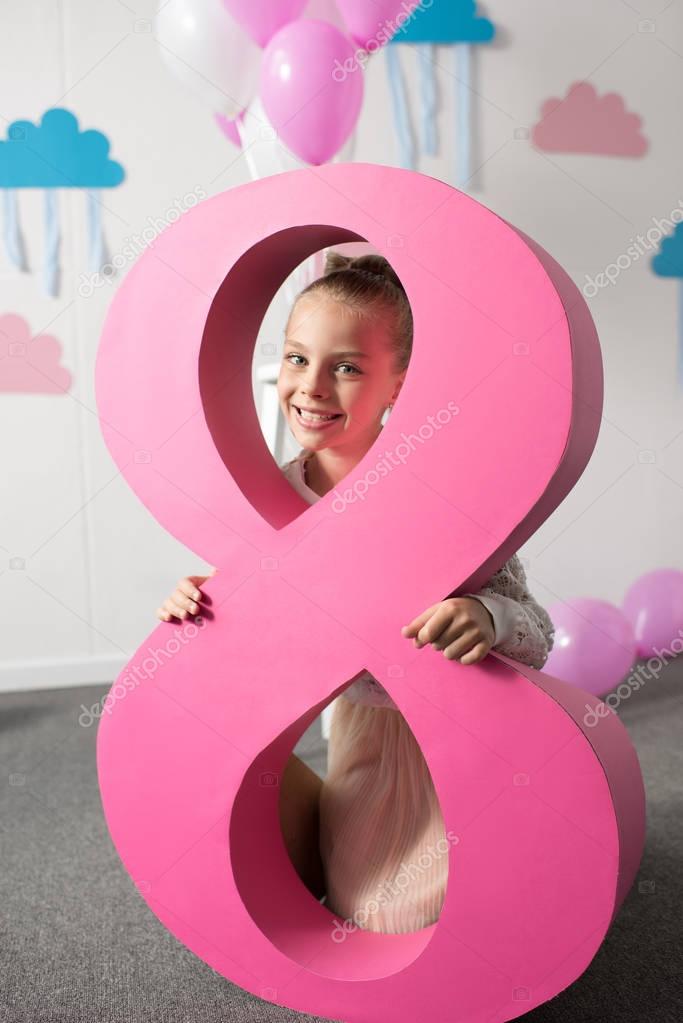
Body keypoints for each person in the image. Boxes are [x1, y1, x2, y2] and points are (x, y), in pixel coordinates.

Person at [156, 250, 556, 933]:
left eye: (345, 367)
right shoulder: (269, 495)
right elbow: (264, 631)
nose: (311, 387)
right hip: (359, 743)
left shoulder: (447, 499)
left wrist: (484, 615)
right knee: (359, 908)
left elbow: (538, 634)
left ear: (401, 383)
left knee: (432, 915)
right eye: (295, 358)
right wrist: (203, 603)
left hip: (456, 744)